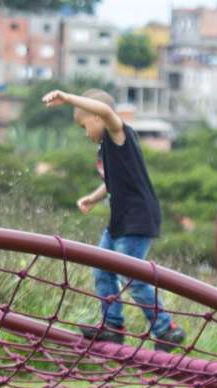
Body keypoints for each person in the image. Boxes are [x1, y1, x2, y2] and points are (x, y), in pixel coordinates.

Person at [41, 88, 185, 352]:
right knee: (101, 268)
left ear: (96, 117)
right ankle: (112, 326)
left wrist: (69, 98)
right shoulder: (104, 149)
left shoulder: (119, 135)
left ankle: (166, 328)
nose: (86, 134)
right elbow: (111, 182)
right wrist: (93, 198)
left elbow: (107, 111)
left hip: (137, 218)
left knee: (131, 276)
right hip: (120, 220)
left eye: (85, 126)